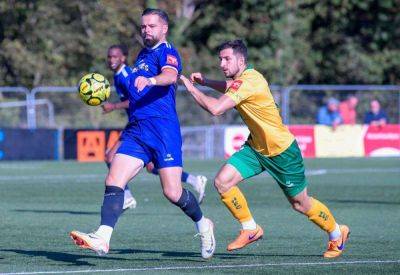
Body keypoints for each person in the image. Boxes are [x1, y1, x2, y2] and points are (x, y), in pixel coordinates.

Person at [179, 39, 349, 258]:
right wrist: (208, 82)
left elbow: (216, 108)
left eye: (227, 59)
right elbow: (231, 87)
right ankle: (250, 228)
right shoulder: (245, 78)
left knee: (300, 204)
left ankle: (337, 233)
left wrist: (190, 87)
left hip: (282, 152)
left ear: (241, 60)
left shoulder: (250, 81)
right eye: (220, 59)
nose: (222, 64)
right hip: (256, 148)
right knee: (222, 181)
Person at [70, 8, 215, 259]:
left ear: (164, 29)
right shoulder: (142, 55)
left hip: (163, 129)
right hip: (137, 130)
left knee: (172, 192)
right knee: (113, 179)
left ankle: (204, 224)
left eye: (151, 26)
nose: (146, 30)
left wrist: (151, 81)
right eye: (143, 26)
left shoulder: (168, 52)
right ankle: (103, 238)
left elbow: (170, 76)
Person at [103, 45, 207, 206]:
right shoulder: (117, 76)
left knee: (110, 156)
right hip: (137, 123)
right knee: (153, 168)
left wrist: (114, 106)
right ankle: (194, 180)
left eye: (115, 56)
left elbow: (135, 98)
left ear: (123, 58)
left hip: (141, 124)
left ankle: (127, 197)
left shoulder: (125, 75)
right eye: (109, 57)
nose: (112, 60)